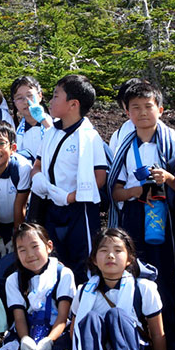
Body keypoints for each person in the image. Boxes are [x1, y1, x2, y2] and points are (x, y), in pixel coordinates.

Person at [106, 79, 175, 350]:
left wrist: (168, 178)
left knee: (164, 277)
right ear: (127, 113)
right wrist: (134, 191)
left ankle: (170, 344)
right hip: (134, 215)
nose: (142, 113)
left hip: (164, 215)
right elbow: (114, 190)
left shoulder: (171, 140)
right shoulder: (124, 143)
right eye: (135, 107)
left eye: (148, 106)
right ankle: (135, 342)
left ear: (160, 109)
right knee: (132, 275)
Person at [28, 74, 108, 282]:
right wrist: (39, 180)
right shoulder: (51, 132)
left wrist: (71, 197)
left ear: (73, 104)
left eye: (56, 96)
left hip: (79, 210)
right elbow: (37, 165)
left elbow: (99, 177)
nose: (51, 102)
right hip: (52, 207)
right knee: (54, 262)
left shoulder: (89, 136)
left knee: (83, 263)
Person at [69, 228, 165, 350]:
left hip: (134, 349)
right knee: (90, 317)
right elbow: (74, 330)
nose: (111, 256)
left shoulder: (143, 288)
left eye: (118, 250)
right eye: (104, 251)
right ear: (94, 259)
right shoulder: (83, 291)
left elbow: (157, 333)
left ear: (129, 259)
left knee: (117, 315)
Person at [0, 120, 34, 270]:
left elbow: (20, 205)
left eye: (1, 144)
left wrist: (16, 235)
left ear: (13, 148)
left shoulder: (22, 168)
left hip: (17, 220)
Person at [8, 76, 54, 163]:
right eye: (19, 98)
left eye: (29, 95)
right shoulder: (14, 132)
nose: (26, 101)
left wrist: (44, 121)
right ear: (14, 102)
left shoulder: (57, 124)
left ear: (40, 96)